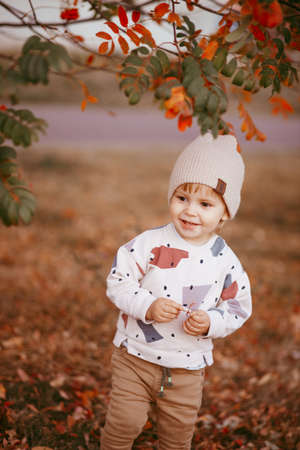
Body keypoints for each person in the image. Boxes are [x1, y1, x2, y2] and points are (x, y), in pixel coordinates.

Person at [101, 133, 252, 450]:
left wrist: (211, 322)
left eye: (205, 203)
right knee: (124, 423)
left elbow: (238, 307)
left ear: (224, 212)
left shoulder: (225, 261)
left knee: (177, 435)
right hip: (135, 358)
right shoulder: (148, 244)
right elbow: (118, 280)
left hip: (186, 368)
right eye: (182, 198)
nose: (190, 211)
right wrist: (147, 305)